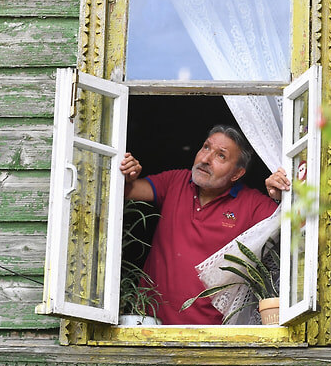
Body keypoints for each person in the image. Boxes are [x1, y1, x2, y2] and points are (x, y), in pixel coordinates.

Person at [119, 124, 288, 325]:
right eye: (206, 147)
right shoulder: (176, 181)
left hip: (209, 333)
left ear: (237, 174)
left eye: (221, 156)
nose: (206, 159)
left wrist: (281, 197)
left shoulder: (252, 204)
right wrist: (126, 175)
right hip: (148, 325)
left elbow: (296, 225)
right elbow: (126, 191)